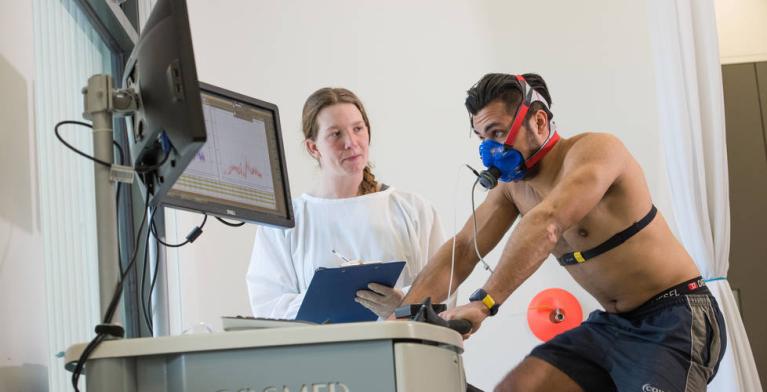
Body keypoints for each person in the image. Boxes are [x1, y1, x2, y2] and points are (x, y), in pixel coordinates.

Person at [402, 73, 726, 391]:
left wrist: (484, 303)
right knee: (518, 387)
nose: (489, 150)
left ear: (539, 122)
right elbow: (464, 250)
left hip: (675, 316)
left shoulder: (595, 151)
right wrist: (398, 319)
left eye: (497, 133)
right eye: (482, 138)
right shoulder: (512, 189)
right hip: (612, 325)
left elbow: (548, 222)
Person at [247, 87, 445, 320]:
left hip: (403, 350)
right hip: (322, 354)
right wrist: (335, 294)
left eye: (358, 129)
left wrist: (403, 303)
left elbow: (445, 286)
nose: (351, 142)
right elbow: (268, 306)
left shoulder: (413, 210)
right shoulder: (286, 222)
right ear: (313, 147)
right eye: (335, 134)